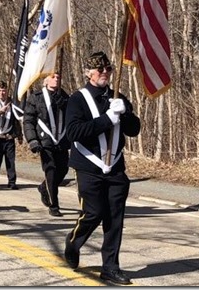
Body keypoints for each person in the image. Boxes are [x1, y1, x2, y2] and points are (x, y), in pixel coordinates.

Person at [63, 51, 140, 285]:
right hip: (88, 166)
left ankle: (110, 267)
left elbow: (134, 130)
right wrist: (107, 119)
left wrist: (124, 113)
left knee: (115, 218)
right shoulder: (78, 99)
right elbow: (74, 132)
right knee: (93, 212)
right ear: (89, 73)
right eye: (100, 69)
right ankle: (73, 243)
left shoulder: (118, 97)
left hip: (115, 167)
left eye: (108, 69)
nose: (105, 73)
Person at [23, 72, 70, 217]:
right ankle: (53, 205)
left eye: (58, 76)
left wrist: (64, 104)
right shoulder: (36, 98)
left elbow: (72, 117)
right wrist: (32, 140)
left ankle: (44, 187)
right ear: (45, 80)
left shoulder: (65, 96)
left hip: (61, 141)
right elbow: (28, 121)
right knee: (51, 170)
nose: (56, 78)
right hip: (45, 141)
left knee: (62, 171)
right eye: (53, 76)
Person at [0, 80, 23, 189]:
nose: (1, 93)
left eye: (3, 91)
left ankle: (12, 182)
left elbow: (16, 120)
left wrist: (19, 135)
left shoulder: (12, 102)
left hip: (9, 136)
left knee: (10, 160)